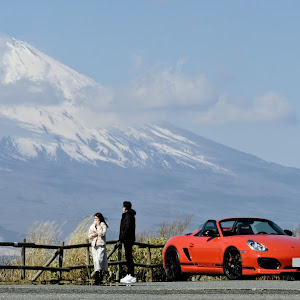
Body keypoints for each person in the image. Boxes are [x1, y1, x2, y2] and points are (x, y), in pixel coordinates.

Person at [118, 201, 136, 283]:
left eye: (123, 206)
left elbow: (127, 227)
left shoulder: (128, 216)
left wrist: (122, 237)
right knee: (128, 256)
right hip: (128, 238)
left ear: (125, 207)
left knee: (129, 257)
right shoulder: (129, 215)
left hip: (127, 238)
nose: (122, 208)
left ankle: (131, 274)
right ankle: (130, 274)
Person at [88, 212, 108, 285]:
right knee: (96, 260)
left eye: (97, 218)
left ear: (100, 218)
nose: (95, 220)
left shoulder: (103, 225)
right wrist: (93, 235)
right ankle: (97, 277)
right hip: (94, 245)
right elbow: (89, 235)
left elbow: (102, 233)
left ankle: (100, 276)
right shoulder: (92, 226)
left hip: (101, 245)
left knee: (100, 259)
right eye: (95, 218)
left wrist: (99, 226)